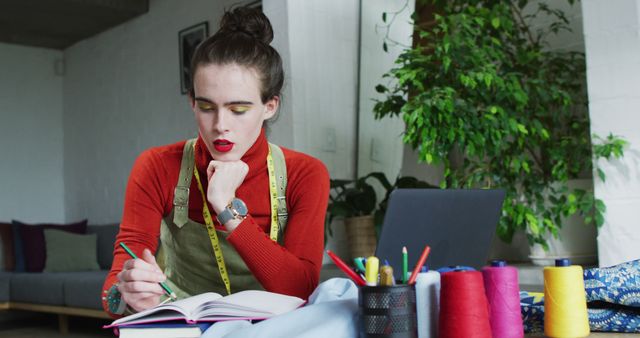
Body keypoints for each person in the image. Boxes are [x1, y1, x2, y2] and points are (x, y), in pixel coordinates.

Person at [101, 6, 329, 317]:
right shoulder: (157, 166)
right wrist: (126, 294)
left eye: (238, 109)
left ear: (270, 106)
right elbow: (114, 285)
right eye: (207, 107)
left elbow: (301, 289)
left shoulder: (305, 173)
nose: (221, 124)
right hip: (186, 327)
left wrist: (226, 205)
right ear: (192, 102)